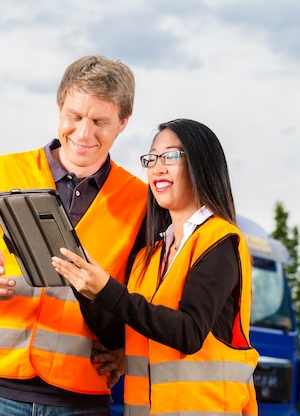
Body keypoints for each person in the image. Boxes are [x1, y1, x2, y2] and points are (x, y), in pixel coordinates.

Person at [0, 55, 148, 416]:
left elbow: (145, 303)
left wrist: (128, 354)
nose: (83, 133)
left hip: (79, 398)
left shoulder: (140, 202)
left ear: (123, 123)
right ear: (59, 106)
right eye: (75, 116)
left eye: (99, 122)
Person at [52, 118, 259, 415]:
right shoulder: (148, 257)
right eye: (151, 158)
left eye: (171, 156)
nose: (157, 167)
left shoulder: (219, 240)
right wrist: (86, 285)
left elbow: (188, 333)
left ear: (202, 164)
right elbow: (120, 334)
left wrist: (108, 291)